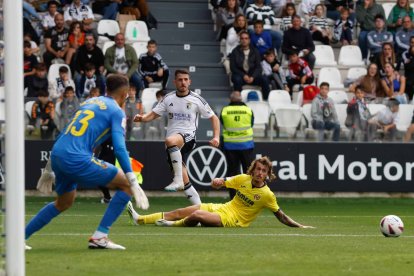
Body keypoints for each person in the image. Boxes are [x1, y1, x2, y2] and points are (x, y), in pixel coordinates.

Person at [26, 74, 149, 250]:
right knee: (126, 186)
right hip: (76, 158)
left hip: (58, 154)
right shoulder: (117, 112)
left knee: (64, 202)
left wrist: (49, 167)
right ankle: (100, 236)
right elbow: (120, 148)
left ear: (107, 89)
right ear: (124, 95)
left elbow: (67, 133)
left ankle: (20, 238)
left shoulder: (91, 102)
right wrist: (132, 179)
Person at [126, 157, 315, 229]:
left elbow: (280, 216)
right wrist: (217, 182)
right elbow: (222, 182)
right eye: (257, 169)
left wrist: (300, 226)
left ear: (268, 174)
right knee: (181, 211)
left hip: (233, 220)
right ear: (253, 170)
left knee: (197, 215)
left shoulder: (267, 195)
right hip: (221, 208)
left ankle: (171, 225)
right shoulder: (243, 179)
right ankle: (139, 219)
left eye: (263, 171)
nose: (259, 173)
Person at [134, 69, 220, 204]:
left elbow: (214, 118)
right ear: (175, 82)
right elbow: (154, 114)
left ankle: (177, 179)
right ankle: (200, 209)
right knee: (186, 183)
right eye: (180, 80)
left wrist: (216, 137)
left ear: (190, 81)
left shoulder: (196, 99)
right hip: (172, 145)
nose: (183, 82)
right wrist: (143, 118)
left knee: (170, 141)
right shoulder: (168, 98)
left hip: (188, 137)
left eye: (186, 80)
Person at [220, 91, 255, 199]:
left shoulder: (225, 110)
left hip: (230, 146)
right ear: (241, 99)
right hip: (246, 145)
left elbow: (222, 123)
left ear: (230, 100)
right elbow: (251, 123)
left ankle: (233, 198)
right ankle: (248, 197)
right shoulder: (248, 110)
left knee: (232, 173)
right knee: (248, 172)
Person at [229, 31, 270, 99]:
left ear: (249, 40)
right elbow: (233, 68)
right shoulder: (235, 51)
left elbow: (258, 67)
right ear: (240, 40)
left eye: (246, 38)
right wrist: (243, 75)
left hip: (252, 77)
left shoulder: (255, 51)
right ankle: (238, 100)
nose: (244, 40)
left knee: (264, 79)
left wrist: (252, 77)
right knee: (236, 79)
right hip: (240, 76)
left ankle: (266, 100)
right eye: (242, 38)